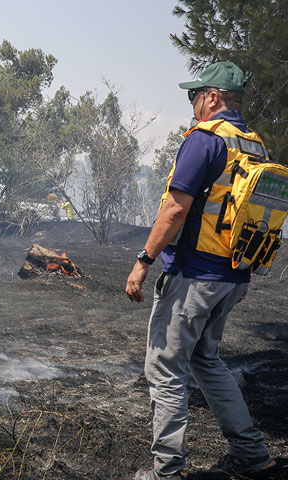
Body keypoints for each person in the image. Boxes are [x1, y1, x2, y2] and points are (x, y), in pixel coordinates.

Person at [125, 61, 276, 480]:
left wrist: (143, 261)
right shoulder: (256, 146)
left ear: (212, 98)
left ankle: (166, 472)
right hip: (230, 277)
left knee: (166, 368)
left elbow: (176, 207)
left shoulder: (204, 140)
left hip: (192, 275)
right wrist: (241, 272)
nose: (192, 104)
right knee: (207, 360)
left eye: (194, 96)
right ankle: (252, 455)